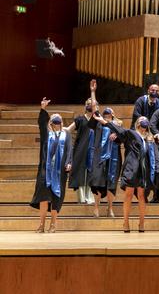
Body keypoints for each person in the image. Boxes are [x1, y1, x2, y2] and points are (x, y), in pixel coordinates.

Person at [99, 114, 159, 233]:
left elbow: (156, 155)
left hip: (143, 170)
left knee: (141, 196)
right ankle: (126, 222)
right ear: (137, 123)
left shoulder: (150, 138)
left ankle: (142, 223)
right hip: (131, 168)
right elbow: (117, 129)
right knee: (128, 195)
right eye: (141, 120)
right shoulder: (131, 133)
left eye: (146, 120)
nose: (144, 121)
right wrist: (103, 121)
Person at [30, 98, 73, 233]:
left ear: (61, 123)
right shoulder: (47, 134)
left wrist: (69, 163)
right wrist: (43, 109)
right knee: (43, 196)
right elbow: (41, 124)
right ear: (51, 122)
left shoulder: (66, 135)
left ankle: (53, 224)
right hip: (46, 170)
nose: (56, 123)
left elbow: (69, 150)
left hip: (60, 170)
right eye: (54, 121)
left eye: (58, 121)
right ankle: (42, 224)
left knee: (56, 197)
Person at [88, 107, 123, 218]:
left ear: (113, 114)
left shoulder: (118, 124)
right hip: (99, 157)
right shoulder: (98, 124)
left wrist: (117, 135)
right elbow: (94, 109)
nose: (107, 114)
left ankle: (110, 208)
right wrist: (93, 92)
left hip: (114, 157)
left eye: (109, 113)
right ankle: (96, 208)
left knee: (111, 183)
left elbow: (124, 137)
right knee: (97, 182)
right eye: (105, 113)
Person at [69, 80, 98, 207]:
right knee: (80, 173)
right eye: (87, 104)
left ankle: (90, 197)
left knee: (91, 173)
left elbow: (95, 108)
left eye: (91, 104)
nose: (89, 105)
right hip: (80, 150)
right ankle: (81, 198)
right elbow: (68, 130)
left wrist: (93, 92)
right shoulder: (80, 119)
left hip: (93, 150)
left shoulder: (96, 118)